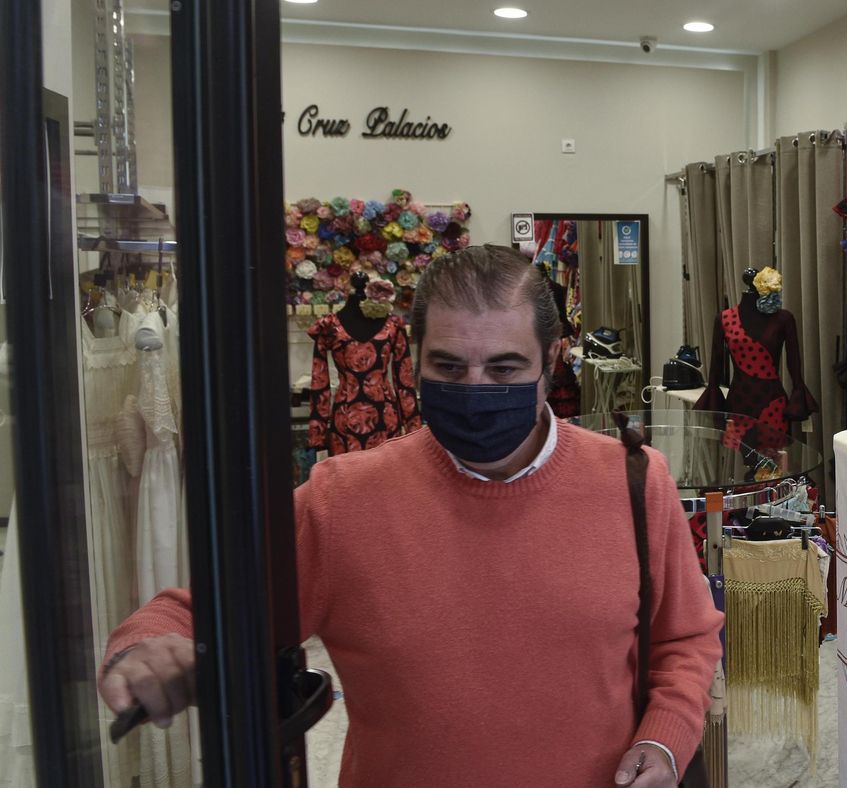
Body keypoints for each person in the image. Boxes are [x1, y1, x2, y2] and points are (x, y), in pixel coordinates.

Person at [98, 245, 723, 787]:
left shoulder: (635, 480)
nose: (476, 388)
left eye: (504, 368)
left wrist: (665, 737)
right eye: (449, 367)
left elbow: (686, 638)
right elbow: (198, 609)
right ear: (414, 356)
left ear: (552, 359)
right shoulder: (342, 499)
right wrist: (148, 645)